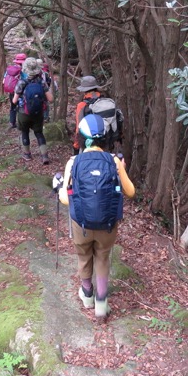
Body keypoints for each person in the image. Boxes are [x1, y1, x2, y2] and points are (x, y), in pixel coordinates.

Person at [57, 115, 135, 319]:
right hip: (107, 225)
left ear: (81, 139)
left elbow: (66, 199)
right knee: (102, 256)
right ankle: (101, 302)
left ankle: (87, 294)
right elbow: (131, 192)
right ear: (106, 138)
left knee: (84, 256)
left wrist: (58, 187)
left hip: (81, 224)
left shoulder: (73, 162)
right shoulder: (114, 161)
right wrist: (122, 170)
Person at [13, 57, 53, 164]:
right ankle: (44, 156)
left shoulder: (22, 82)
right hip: (38, 112)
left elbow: (14, 100)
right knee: (39, 133)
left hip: (23, 112)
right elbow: (51, 99)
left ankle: (27, 154)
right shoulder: (41, 82)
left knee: (25, 132)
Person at [3, 53, 27, 129]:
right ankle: (22, 124)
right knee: (21, 107)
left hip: (11, 92)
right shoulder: (24, 71)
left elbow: (4, 81)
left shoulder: (10, 70)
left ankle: (12, 122)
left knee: (13, 107)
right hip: (21, 92)